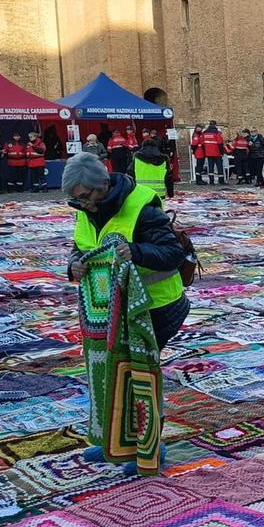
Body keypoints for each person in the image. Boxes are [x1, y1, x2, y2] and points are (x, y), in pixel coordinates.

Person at [62, 153, 188, 473]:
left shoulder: (141, 206)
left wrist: (136, 252)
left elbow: (173, 253)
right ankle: (114, 441)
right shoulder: (84, 210)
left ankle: (149, 447)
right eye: (76, 200)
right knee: (111, 372)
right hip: (112, 310)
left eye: (86, 198)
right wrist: (74, 265)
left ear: (103, 185)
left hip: (156, 306)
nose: (83, 205)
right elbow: (81, 247)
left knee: (141, 375)